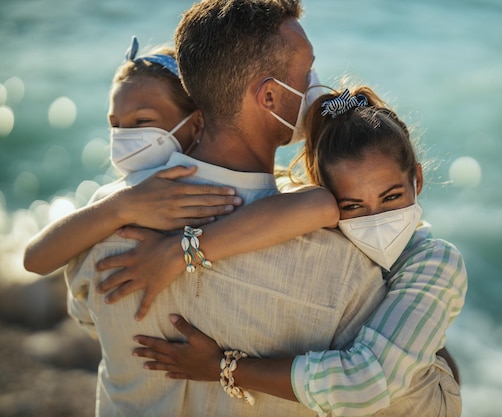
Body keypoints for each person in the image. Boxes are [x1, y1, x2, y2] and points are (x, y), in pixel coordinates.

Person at [62, 1, 387, 416]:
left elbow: (85, 316)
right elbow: (384, 388)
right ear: (269, 96)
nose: (314, 86)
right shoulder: (340, 264)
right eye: (306, 73)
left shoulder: (102, 220)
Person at [129, 86, 468, 417]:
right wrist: (179, 248)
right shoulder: (323, 224)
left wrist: (224, 367)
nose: (376, 219)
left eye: (391, 197)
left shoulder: (436, 261)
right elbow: (306, 206)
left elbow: (365, 382)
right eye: (352, 205)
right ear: (327, 198)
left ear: (417, 181)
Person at [23, 36, 242, 276]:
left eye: (142, 121)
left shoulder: (224, 192)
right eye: (115, 125)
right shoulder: (115, 198)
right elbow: (35, 261)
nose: (123, 136)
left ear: (196, 123)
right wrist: (121, 207)